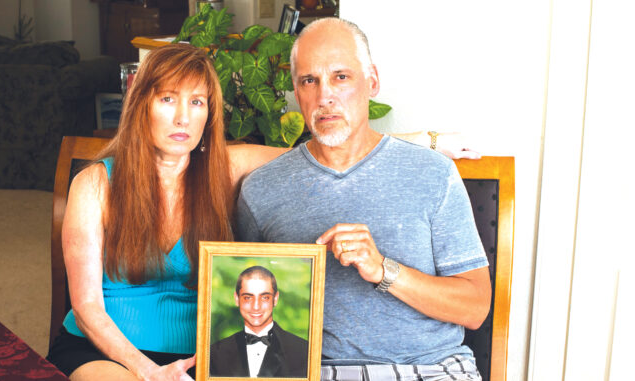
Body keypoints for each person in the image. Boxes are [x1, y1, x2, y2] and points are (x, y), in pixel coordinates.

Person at [235, 18, 491, 381]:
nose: (325, 96)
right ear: (297, 90)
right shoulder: (260, 190)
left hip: (429, 369)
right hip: (311, 373)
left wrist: (383, 269)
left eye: (341, 77)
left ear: (371, 81)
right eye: (310, 81)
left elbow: (475, 307)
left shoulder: (434, 174)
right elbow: (244, 306)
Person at [46, 43, 286, 381]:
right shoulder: (94, 184)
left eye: (196, 102)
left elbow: (308, 158)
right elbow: (86, 308)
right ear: (141, 104)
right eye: (168, 99)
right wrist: (149, 371)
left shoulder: (224, 170)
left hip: (202, 351)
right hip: (104, 350)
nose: (183, 118)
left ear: (209, 114)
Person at [209, 266, 308, 378]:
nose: (256, 307)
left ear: (275, 299)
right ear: (237, 299)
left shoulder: (303, 350)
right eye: (248, 298)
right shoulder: (216, 353)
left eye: (265, 297)